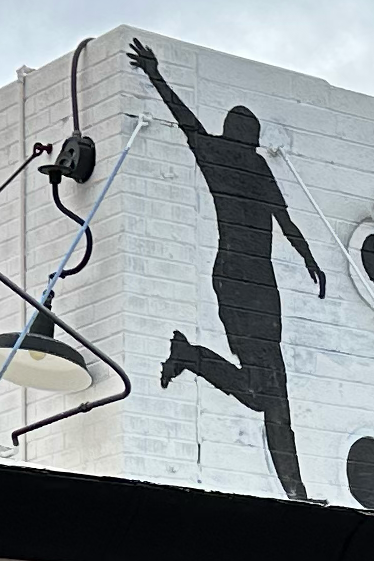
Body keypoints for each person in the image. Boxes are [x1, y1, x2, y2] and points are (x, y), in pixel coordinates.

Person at [129, 38, 327, 501]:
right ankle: (296, 494)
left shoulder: (248, 164)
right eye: (251, 132)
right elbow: (185, 122)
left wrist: (309, 258)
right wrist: (155, 76)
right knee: (272, 397)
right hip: (240, 280)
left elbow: (284, 217)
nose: (255, 140)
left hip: (260, 283)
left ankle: (191, 356)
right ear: (240, 133)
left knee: (267, 395)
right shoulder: (223, 157)